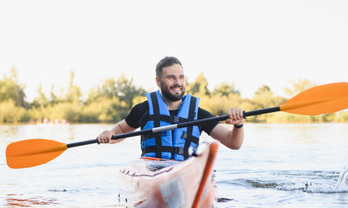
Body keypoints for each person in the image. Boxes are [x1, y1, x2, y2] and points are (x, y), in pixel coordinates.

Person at [97, 56, 244, 160]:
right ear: (158, 81)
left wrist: (238, 125)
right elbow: (121, 130)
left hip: (185, 171)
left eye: (181, 77)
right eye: (171, 77)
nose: (178, 82)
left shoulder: (199, 114)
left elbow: (233, 143)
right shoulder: (143, 110)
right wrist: (109, 134)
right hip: (152, 170)